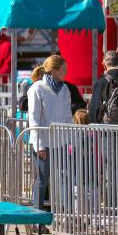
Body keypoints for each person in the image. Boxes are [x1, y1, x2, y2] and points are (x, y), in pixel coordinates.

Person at [27, 55, 72, 215]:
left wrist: (71, 140)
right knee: (42, 180)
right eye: (63, 70)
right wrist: (39, 145)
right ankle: (37, 217)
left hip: (60, 142)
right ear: (54, 71)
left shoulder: (65, 89)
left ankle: (66, 216)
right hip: (43, 141)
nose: (66, 73)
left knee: (66, 179)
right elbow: (34, 118)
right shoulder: (37, 88)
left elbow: (68, 116)